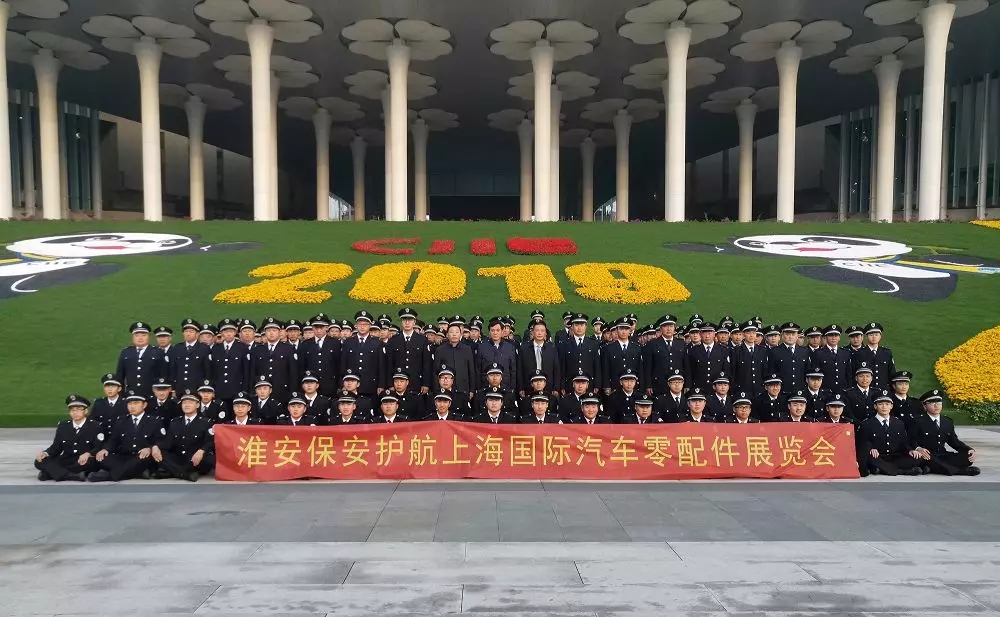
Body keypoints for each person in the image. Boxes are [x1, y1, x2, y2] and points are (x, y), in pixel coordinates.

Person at [88, 390, 162, 482]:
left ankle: (110, 476)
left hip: (141, 456)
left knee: (143, 459)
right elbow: (113, 440)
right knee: (102, 458)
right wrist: (105, 449)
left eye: (136, 403)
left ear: (144, 405)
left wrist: (150, 448)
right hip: (124, 456)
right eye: (130, 403)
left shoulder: (154, 421)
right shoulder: (121, 421)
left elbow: (161, 441)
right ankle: (137, 472)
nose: (132, 406)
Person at [910, 389, 980, 476]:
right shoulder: (917, 421)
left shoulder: (947, 421)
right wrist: (918, 448)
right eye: (932, 403)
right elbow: (910, 440)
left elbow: (954, 441)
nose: (936, 406)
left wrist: (969, 449)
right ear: (925, 405)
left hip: (943, 455)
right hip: (927, 455)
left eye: (939, 403)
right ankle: (960, 471)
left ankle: (932, 469)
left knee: (967, 457)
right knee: (924, 460)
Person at [35, 395, 104, 481]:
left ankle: (50, 473)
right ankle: (71, 476)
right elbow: (56, 447)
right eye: (72, 410)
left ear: (86, 411)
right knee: (39, 461)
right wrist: (45, 453)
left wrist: (88, 453)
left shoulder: (95, 426)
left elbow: (98, 447)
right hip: (66, 459)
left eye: (78, 409)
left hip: (84, 460)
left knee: (90, 463)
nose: (75, 413)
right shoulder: (63, 426)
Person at [152, 389, 215, 481]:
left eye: (190, 402)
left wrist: (201, 451)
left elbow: (210, 442)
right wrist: (156, 446)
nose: (187, 405)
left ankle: (173, 472)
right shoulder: (175, 422)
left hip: (196, 457)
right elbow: (168, 443)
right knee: (159, 453)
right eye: (184, 403)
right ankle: (185, 474)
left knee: (210, 459)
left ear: (198, 405)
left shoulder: (206, 422)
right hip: (179, 457)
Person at [856, 390, 922, 477]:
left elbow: (904, 442)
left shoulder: (899, 423)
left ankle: (882, 469)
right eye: (880, 404)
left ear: (891, 406)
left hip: (895, 457)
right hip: (878, 457)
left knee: (917, 458)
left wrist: (910, 450)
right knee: (868, 459)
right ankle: (903, 471)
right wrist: (871, 449)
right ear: (875, 406)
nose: (884, 407)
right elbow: (862, 443)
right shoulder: (867, 423)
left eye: (887, 404)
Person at [250, 317, 299, 403]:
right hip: (262, 393)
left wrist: (292, 393)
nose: (271, 333)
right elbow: (253, 373)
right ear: (265, 332)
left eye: (274, 330)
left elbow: (293, 374)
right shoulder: (257, 350)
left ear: (279, 332)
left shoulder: (288, 349)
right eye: (268, 331)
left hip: (282, 392)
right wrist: (253, 391)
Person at [383, 307, 431, 392]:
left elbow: (426, 364)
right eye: (404, 320)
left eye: (410, 320)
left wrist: (426, 383)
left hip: (416, 383)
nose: (407, 323)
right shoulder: (393, 340)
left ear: (414, 322)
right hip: (398, 383)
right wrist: (390, 384)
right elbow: (389, 364)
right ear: (401, 322)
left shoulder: (422, 340)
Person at [115, 322, 167, 397]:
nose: (140, 338)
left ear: (148, 336)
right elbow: (120, 376)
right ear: (132, 337)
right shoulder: (126, 352)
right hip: (131, 395)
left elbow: (164, 375)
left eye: (143, 335)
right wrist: (121, 395)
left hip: (151, 395)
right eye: (137, 335)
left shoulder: (158, 352)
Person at [642, 315, 686, 396]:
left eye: (671, 326)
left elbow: (686, 365)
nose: (668, 329)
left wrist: (687, 384)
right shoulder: (652, 344)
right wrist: (648, 384)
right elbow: (648, 367)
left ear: (675, 328)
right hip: (659, 384)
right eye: (665, 326)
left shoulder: (681, 343)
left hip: (678, 384)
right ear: (661, 328)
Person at [298, 313, 341, 397]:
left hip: (330, 385)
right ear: (312, 328)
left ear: (326, 328)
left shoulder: (335, 343)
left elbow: (339, 365)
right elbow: (301, 366)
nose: (318, 330)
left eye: (321, 327)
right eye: (316, 328)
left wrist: (339, 384)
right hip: (310, 385)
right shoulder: (305, 344)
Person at [434, 317, 477, 395]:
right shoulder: (440, 350)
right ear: (447, 335)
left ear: (460, 334)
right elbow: (435, 372)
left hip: (463, 389)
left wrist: (471, 390)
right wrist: (437, 390)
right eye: (451, 332)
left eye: (457, 332)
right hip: (445, 390)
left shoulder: (467, 349)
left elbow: (471, 371)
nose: (454, 334)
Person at [558, 313, 601, 392]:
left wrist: (597, 384)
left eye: (582, 325)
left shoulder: (593, 344)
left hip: (588, 384)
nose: (579, 328)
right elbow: (562, 367)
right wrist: (562, 386)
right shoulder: (564, 344)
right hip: (570, 384)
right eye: (576, 325)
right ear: (572, 326)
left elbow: (597, 365)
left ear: (586, 326)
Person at [519, 319, 561, 394]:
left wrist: (556, 388)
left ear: (545, 333)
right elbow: (520, 370)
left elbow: (556, 369)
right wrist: (521, 388)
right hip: (529, 388)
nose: (539, 333)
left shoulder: (552, 348)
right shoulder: (524, 348)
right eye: (537, 330)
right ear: (532, 333)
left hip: (548, 388)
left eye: (542, 331)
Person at [602, 318, 643, 393]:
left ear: (630, 330)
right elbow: (605, 369)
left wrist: (641, 386)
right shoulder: (608, 348)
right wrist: (606, 386)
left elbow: (640, 368)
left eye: (626, 329)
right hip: (614, 386)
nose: (624, 332)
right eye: (621, 329)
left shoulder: (637, 348)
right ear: (617, 330)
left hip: (633, 387)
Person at [171, 319, 212, 393]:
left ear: (197, 334)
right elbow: (173, 370)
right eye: (186, 331)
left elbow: (207, 370)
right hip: (180, 388)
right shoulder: (177, 348)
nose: (188, 334)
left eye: (191, 331)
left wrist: (206, 387)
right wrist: (173, 388)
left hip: (197, 388)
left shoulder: (204, 348)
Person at [686, 322, 730, 391]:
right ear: (700, 334)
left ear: (714, 334)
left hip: (717, 389)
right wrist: (688, 386)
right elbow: (689, 371)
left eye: (709, 333)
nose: (707, 336)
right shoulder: (693, 351)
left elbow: (726, 371)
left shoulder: (723, 350)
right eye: (704, 333)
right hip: (698, 388)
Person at [852, 322, 895, 391]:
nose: (874, 337)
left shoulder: (887, 353)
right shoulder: (859, 353)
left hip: (884, 390)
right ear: (866, 337)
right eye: (871, 335)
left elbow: (892, 373)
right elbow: (854, 374)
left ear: (880, 336)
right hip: (867, 391)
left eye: (876, 335)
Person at [768, 322, 807, 392]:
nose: (790, 337)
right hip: (782, 392)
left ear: (797, 336)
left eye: (793, 334)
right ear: (782, 335)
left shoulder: (804, 351)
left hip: (800, 392)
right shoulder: (774, 352)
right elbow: (772, 373)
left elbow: (807, 373)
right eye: (787, 334)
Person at [731, 321, 768, 395]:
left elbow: (764, 371)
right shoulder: (736, 351)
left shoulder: (762, 350)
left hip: (759, 390)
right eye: (748, 333)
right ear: (743, 335)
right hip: (742, 391)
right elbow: (733, 373)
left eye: (753, 333)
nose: (751, 335)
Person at [813, 324, 852, 393]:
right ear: (826, 337)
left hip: (842, 391)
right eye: (831, 335)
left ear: (839, 338)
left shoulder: (845, 353)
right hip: (825, 391)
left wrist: (848, 390)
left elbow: (848, 374)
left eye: (836, 335)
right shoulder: (818, 353)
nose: (833, 338)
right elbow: (816, 374)